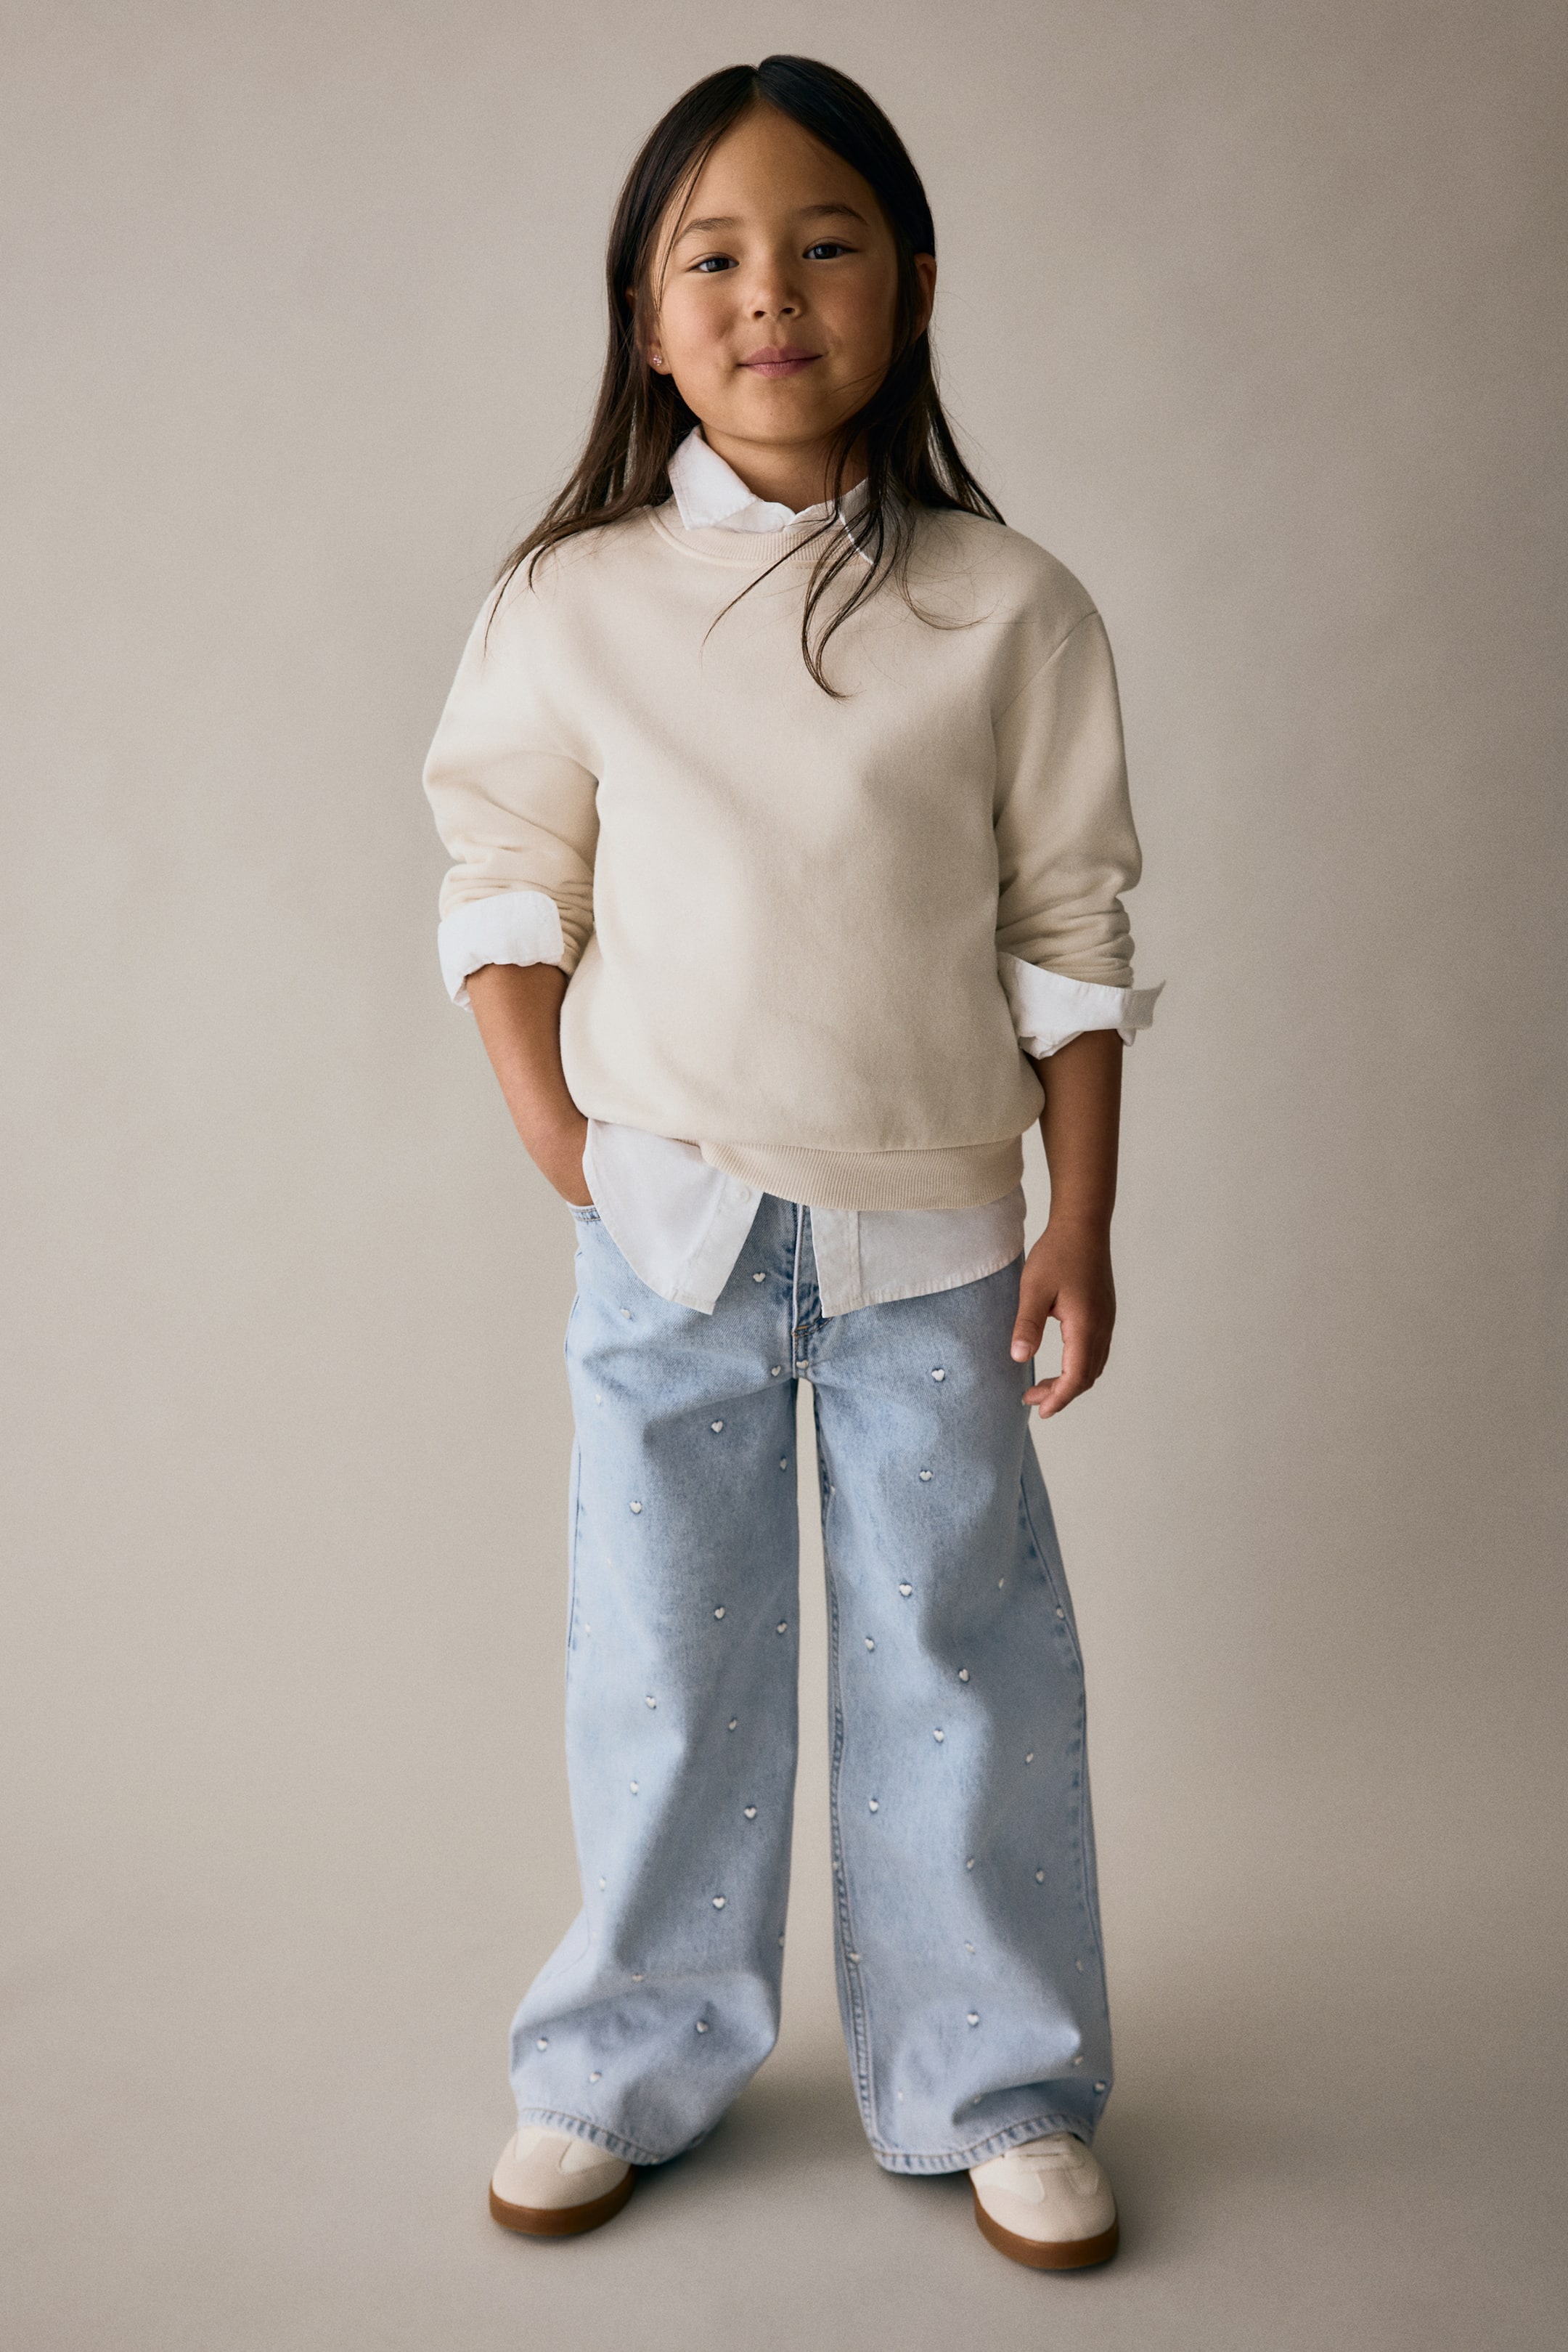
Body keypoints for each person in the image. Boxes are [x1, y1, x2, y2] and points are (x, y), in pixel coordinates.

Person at [422, 54, 1159, 2271]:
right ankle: (620, 2061)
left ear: (912, 286)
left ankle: (995, 2080)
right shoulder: (572, 601)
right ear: (647, 319)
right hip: (669, 1236)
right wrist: (565, 1141)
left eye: (824, 244)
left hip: (937, 1240)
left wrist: (1084, 1217)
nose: (771, 293)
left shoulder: (1011, 609)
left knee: (958, 1665)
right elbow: (502, 881)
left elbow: (1071, 936)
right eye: (714, 256)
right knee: (666, 1669)